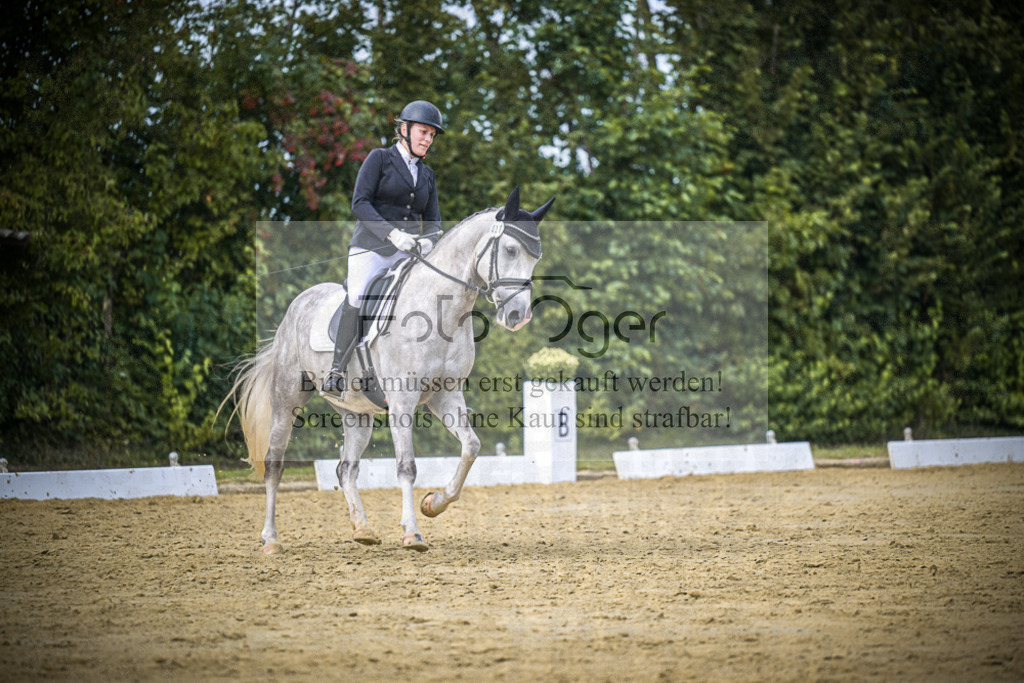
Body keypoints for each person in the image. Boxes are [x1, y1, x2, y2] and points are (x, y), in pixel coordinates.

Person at [322, 100, 445, 396]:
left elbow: (434, 222)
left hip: (407, 253)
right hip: (370, 248)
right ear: (404, 129)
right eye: (423, 132)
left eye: (431, 135)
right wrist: (391, 234)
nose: (428, 139)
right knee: (358, 295)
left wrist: (429, 240)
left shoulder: (427, 175)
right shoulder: (379, 158)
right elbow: (360, 202)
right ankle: (337, 371)